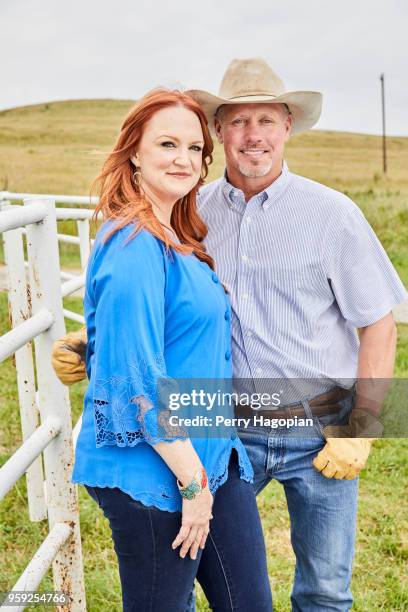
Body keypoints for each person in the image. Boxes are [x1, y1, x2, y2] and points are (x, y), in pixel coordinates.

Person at [53, 59, 407, 611]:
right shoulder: (194, 212)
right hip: (224, 427)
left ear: (288, 124)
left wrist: (363, 424)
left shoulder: (332, 215)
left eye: (267, 119)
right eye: (238, 121)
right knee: (193, 581)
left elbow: (379, 321)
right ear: (219, 129)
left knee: (324, 589)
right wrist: (96, 348)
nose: (254, 135)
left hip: (321, 427)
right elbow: (156, 312)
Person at [64, 88, 272, 612]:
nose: (184, 159)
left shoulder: (175, 233)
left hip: (212, 456)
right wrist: (192, 487)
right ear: (134, 151)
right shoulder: (133, 243)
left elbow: (155, 335)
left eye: (195, 147)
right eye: (167, 144)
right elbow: (136, 380)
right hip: (157, 471)